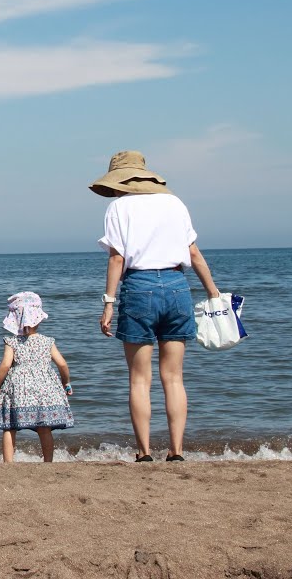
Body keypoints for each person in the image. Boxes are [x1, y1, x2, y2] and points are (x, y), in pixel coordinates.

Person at [90, 150, 220, 463]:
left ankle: (145, 452)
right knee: (173, 378)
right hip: (177, 287)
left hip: (139, 287)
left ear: (119, 181)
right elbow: (194, 253)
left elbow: (117, 259)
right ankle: (176, 451)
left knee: (139, 379)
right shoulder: (175, 203)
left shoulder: (118, 207)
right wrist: (213, 293)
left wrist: (108, 303)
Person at [0, 292, 74, 463]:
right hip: (45, 388)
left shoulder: (12, 342)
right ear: (38, 318)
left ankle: (8, 464)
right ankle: (48, 462)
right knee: (44, 427)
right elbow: (62, 364)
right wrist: (66, 382)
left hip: (18, 387)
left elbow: (5, 365)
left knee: (9, 426)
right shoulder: (47, 341)